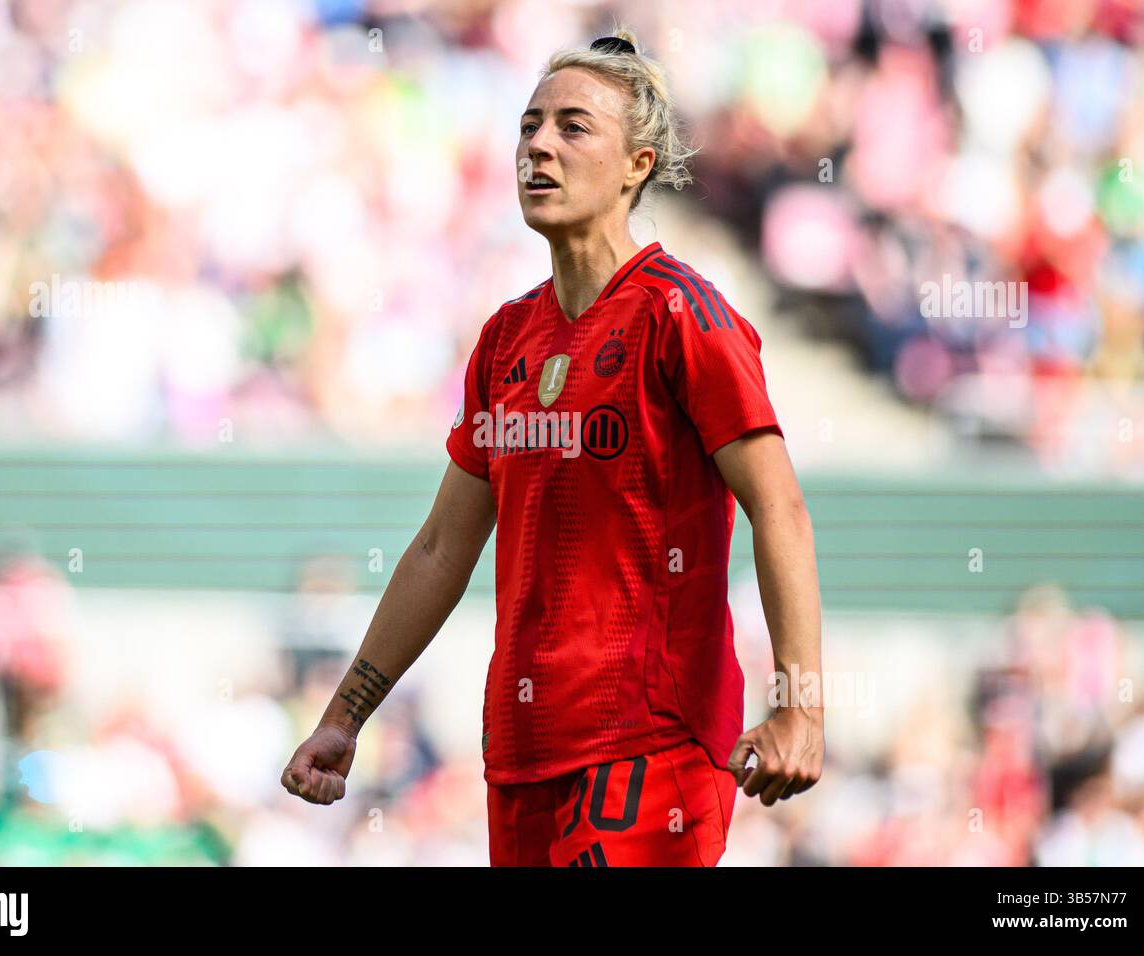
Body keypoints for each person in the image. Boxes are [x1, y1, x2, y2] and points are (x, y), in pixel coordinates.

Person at [282, 29, 824, 867]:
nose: (538, 144)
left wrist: (801, 708)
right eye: (530, 125)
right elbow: (438, 548)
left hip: (652, 746)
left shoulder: (685, 317)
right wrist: (346, 714)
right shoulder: (505, 341)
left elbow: (779, 505)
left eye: (573, 127)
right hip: (522, 753)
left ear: (638, 164)